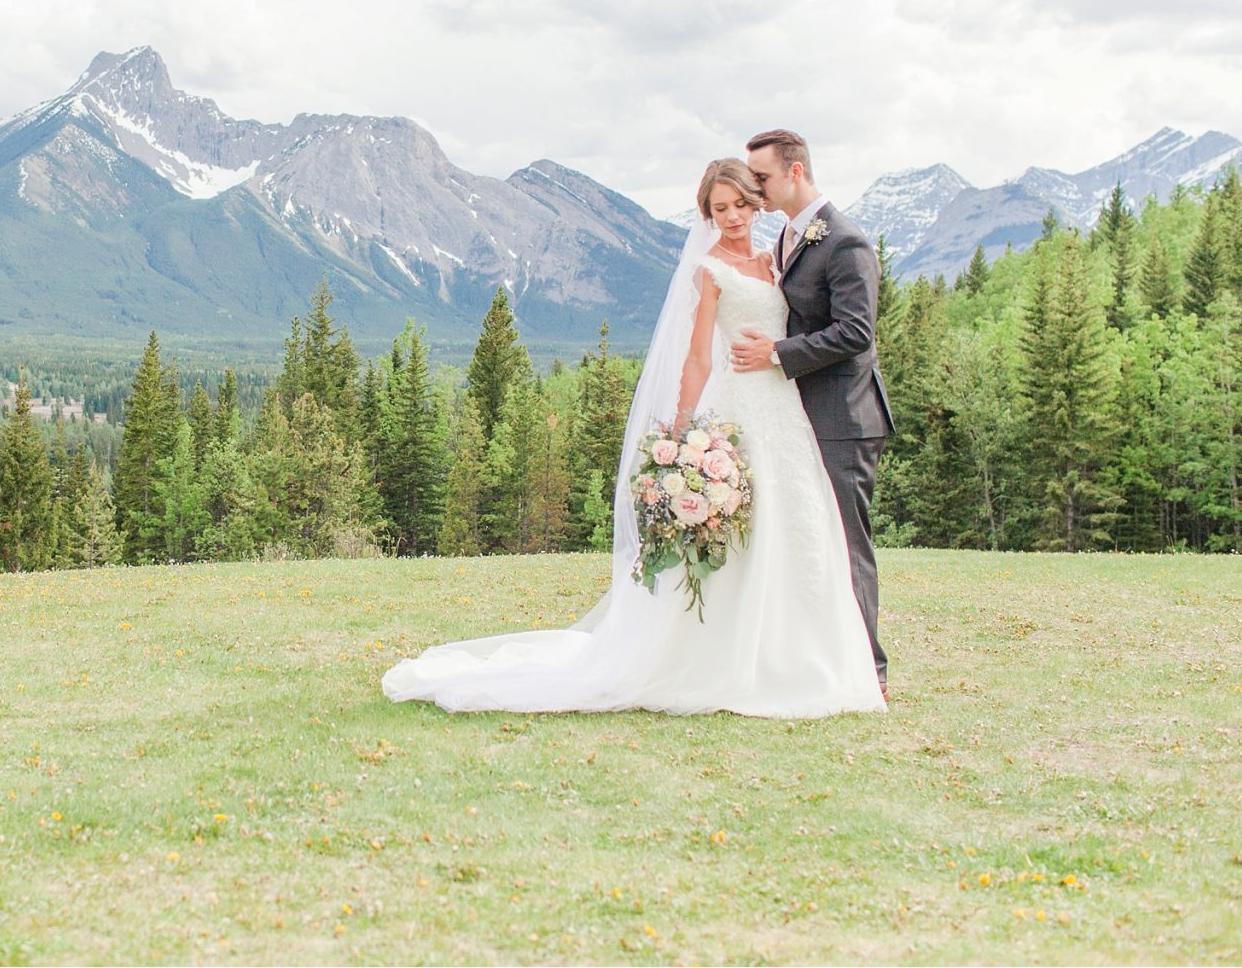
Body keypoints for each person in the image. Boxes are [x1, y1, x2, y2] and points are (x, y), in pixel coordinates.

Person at [379, 156, 885, 718]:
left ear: (756, 202)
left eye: (742, 204)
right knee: (745, 533)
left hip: (786, 410)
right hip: (740, 406)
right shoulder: (710, 269)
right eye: (720, 209)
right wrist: (684, 426)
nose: (733, 216)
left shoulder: (775, 261)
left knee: (799, 526)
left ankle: (800, 655)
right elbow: (696, 358)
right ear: (707, 214)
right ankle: (724, 657)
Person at [733, 129, 893, 699]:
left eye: (762, 177)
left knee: (846, 543)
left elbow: (855, 332)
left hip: (844, 418)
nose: (755, 188)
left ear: (795, 171)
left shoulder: (845, 242)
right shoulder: (788, 238)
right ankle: (813, 656)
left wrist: (777, 355)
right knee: (805, 540)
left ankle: (868, 670)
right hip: (799, 415)